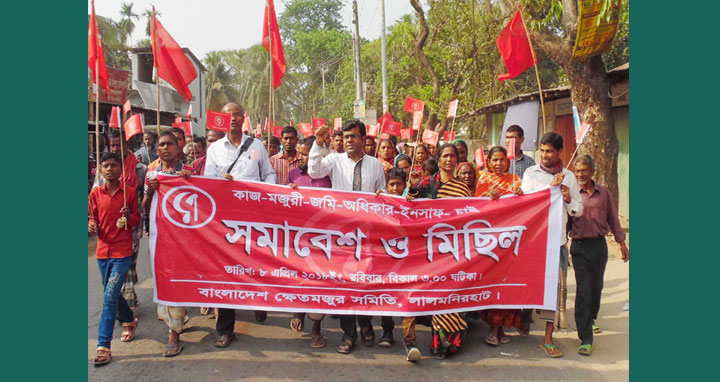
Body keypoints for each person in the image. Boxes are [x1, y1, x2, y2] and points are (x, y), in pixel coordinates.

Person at [308, 119, 385, 355]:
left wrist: (382, 196)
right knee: (343, 284)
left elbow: (383, 195)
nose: (349, 141)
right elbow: (313, 170)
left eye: (353, 136)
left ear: (363, 139)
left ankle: (366, 324)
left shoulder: (375, 165)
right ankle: (349, 334)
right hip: (341, 234)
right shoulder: (334, 160)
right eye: (346, 136)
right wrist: (318, 143)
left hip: (368, 233)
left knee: (365, 282)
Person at [204, 102, 276, 349]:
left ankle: (257, 303)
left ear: (243, 117)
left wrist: (265, 194)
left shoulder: (256, 146)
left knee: (255, 264)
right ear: (221, 119)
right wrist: (219, 183)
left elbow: (268, 175)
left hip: (254, 218)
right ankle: (225, 328)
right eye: (227, 115)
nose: (232, 119)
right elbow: (206, 182)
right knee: (226, 270)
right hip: (225, 220)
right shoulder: (214, 149)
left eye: (236, 115)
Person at [521, 131, 583, 358]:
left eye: (549, 151)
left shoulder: (569, 177)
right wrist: (550, 189)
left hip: (556, 242)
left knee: (555, 290)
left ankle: (548, 337)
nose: (545, 155)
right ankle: (524, 319)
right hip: (533, 240)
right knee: (528, 283)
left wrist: (566, 197)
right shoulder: (531, 173)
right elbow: (527, 201)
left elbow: (578, 209)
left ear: (559, 153)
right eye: (542, 151)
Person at [407, 143, 471, 359]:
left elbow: (471, 215)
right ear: (438, 158)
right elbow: (411, 204)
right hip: (432, 247)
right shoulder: (427, 183)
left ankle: (452, 342)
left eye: (452, 156)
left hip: (455, 248)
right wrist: (414, 188)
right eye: (445, 156)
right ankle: (438, 342)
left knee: (454, 293)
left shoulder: (462, 188)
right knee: (439, 293)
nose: (449, 160)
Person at [569, 154, 629, 356]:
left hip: (599, 246)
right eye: (577, 171)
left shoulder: (603, 193)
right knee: (584, 290)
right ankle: (585, 337)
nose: (580, 174)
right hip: (579, 246)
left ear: (592, 171)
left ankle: (591, 318)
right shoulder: (571, 194)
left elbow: (613, 217)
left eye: (584, 170)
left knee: (596, 287)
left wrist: (622, 243)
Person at [142, 132, 194, 357]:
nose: (165, 148)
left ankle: (174, 333)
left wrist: (187, 182)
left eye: (169, 144)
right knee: (163, 276)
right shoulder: (151, 174)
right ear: (157, 150)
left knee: (178, 278)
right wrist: (151, 190)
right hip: (160, 234)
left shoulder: (189, 172)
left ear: (178, 148)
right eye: (161, 144)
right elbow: (145, 207)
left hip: (184, 237)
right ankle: (174, 322)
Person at [89, 152, 141, 367]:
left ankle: (103, 345)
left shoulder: (128, 193)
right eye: (105, 166)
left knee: (110, 297)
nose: (109, 169)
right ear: (100, 169)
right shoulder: (95, 194)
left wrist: (129, 216)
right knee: (109, 290)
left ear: (121, 169)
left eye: (113, 165)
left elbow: (138, 219)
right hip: (102, 251)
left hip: (122, 251)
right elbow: (92, 218)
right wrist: (90, 225)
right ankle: (129, 319)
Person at [473, 146, 526, 346]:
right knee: (494, 283)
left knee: (508, 285)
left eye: (502, 159)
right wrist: (488, 199)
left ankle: (501, 328)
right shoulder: (484, 180)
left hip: (512, 241)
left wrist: (521, 196)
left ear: (508, 161)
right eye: (495, 160)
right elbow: (476, 209)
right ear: (488, 162)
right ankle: (493, 328)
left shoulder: (516, 181)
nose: (499, 163)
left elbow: (525, 207)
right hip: (491, 242)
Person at [285, 136, 331, 348]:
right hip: (299, 238)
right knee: (299, 278)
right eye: (300, 153)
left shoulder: (328, 175)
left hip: (323, 238)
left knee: (318, 282)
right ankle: (299, 312)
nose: (301, 157)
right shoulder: (293, 174)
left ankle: (316, 328)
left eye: (305, 153)